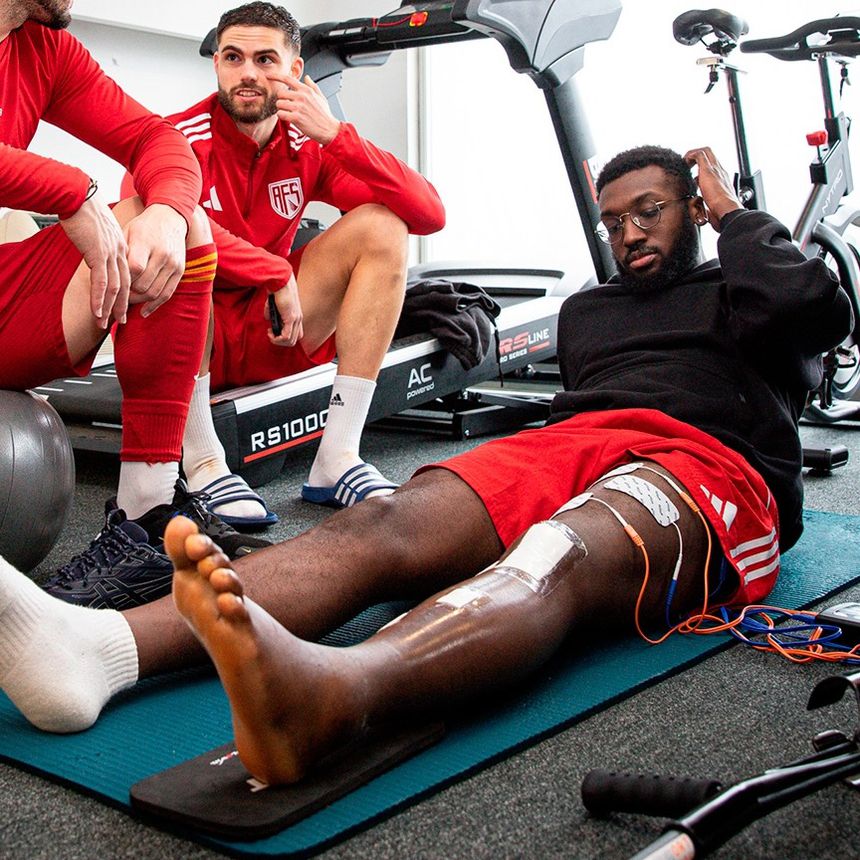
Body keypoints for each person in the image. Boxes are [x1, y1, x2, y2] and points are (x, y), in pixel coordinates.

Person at [0, 145, 851, 787]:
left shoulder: (750, 290)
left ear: (693, 211)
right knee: (386, 521)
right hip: (572, 443)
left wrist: (737, 214)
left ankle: (338, 693)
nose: (630, 233)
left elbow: (815, 309)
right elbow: (582, 412)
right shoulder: (588, 313)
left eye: (653, 211)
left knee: (555, 552)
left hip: (705, 461)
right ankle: (100, 649)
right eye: (615, 219)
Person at [122, 2, 446, 529]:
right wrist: (271, 272)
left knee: (383, 225)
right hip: (188, 338)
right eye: (233, 57)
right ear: (218, 67)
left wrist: (337, 135)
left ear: (295, 72)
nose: (248, 73)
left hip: (277, 330)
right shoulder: (175, 138)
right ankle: (203, 464)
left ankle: (337, 458)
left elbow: (428, 213)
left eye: (265, 59)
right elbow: (143, 220)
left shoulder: (306, 145)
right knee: (170, 235)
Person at [0, 0, 271, 607]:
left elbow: (157, 137)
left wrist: (169, 214)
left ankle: (144, 519)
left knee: (179, 229)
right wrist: (73, 193)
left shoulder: (42, 48)